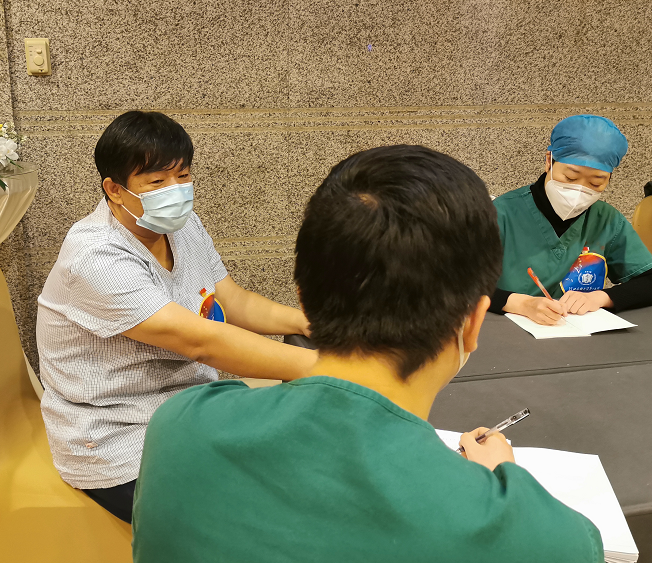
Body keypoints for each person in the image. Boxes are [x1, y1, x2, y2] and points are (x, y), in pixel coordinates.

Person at [132, 145, 604, 563]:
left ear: (304, 296)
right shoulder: (547, 539)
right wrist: (503, 483)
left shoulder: (180, 424)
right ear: (473, 323)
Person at [36, 111, 316, 524]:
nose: (176, 191)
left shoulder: (181, 227)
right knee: (260, 515)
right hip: (118, 435)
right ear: (114, 189)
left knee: (298, 461)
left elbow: (232, 299)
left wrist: (307, 324)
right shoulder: (96, 255)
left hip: (186, 406)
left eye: (182, 176)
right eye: (156, 182)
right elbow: (200, 341)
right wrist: (327, 366)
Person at [490, 115, 652, 325]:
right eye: (571, 177)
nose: (580, 190)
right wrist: (521, 304)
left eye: (596, 183)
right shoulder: (499, 214)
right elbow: (458, 287)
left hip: (578, 334)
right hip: (506, 332)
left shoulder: (606, 220)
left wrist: (599, 298)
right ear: (549, 161)